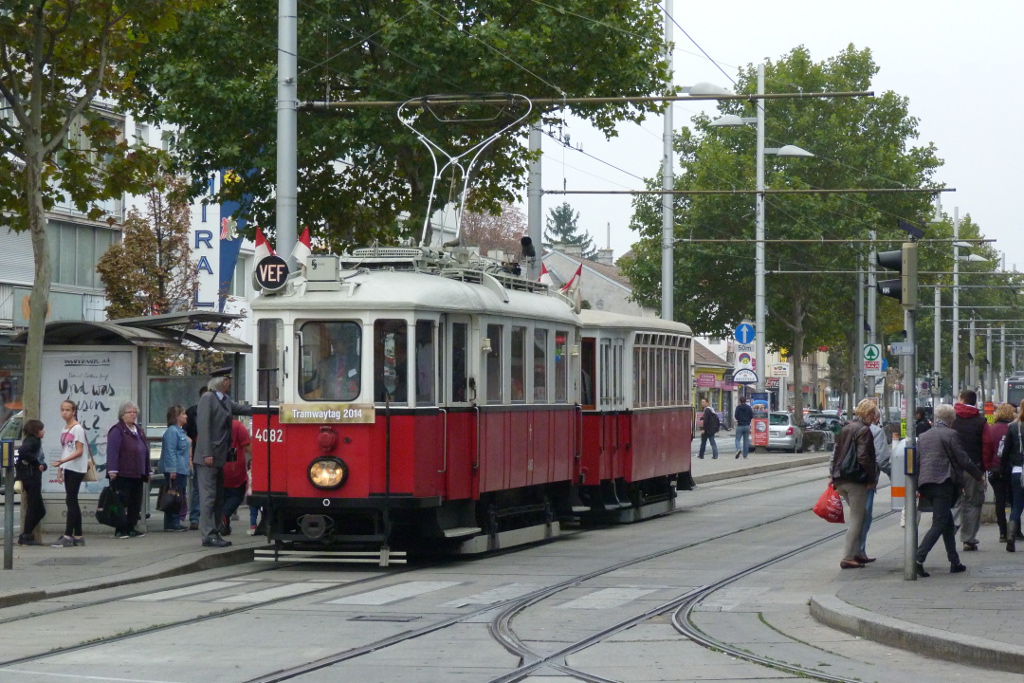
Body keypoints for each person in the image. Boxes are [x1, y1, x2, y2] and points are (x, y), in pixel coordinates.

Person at [915, 403, 984, 576]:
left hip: (926, 483)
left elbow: (917, 461)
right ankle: (918, 558)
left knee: (947, 524)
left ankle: (955, 562)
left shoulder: (923, 436)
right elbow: (963, 459)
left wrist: (917, 484)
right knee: (939, 522)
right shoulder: (951, 434)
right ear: (951, 420)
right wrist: (978, 476)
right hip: (943, 482)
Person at [195, 368, 252, 548]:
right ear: (222, 381)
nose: (230, 382)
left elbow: (243, 409)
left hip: (220, 457)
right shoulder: (208, 398)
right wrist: (207, 453)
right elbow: (203, 427)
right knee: (208, 497)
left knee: (218, 496)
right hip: (208, 457)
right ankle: (208, 534)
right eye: (228, 379)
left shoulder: (224, 399)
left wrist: (268, 409)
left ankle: (216, 530)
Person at [829, 398, 878, 569]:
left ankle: (857, 553)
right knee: (857, 518)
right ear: (866, 413)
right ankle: (848, 556)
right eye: (872, 413)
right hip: (855, 479)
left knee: (862, 514)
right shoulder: (864, 430)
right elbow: (863, 457)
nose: (874, 416)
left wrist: (833, 475)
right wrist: (871, 478)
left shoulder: (847, 427)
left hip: (841, 478)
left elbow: (837, 453)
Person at [951, 389, 992, 552]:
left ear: (961, 400)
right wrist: (984, 467)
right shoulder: (981, 421)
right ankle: (968, 539)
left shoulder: (952, 418)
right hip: (973, 468)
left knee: (952, 501)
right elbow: (988, 445)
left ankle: (947, 530)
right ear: (975, 402)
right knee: (973, 502)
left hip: (952, 467)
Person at [106, 401, 149, 539]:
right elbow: (112, 451)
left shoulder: (138, 430)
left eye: (134, 412)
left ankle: (131, 528)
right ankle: (120, 529)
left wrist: (148, 471)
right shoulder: (117, 430)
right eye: (129, 412)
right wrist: (112, 469)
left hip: (137, 473)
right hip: (123, 473)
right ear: (122, 415)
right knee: (121, 502)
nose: (132, 415)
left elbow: (145, 451)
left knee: (135, 503)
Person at [51, 400, 90, 547]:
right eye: (63, 410)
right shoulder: (65, 428)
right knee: (72, 500)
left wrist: (62, 462)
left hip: (76, 468)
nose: (65, 412)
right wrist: (60, 469)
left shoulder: (77, 428)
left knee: (71, 500)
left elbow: (79, 451)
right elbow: (65, 450)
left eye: (68, 410)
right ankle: (78, 536)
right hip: (68, 466)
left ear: (74, 411)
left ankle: (68, 535)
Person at [858, 403, 891, 562]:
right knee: (864, 517)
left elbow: (836, 453)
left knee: (856, 516)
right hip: (866, 481)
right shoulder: (876, 432)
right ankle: (859, 551)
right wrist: (895, 477)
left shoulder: (848, 428)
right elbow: (882, 460)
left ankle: (854, 551)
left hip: (848, 480)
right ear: (875, 417)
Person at [985, 403, 1015, 544]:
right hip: (1009, 468)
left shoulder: (991, 429)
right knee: (1014, 500)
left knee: (1000, 500)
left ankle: (1002, 532)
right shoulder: (1011, 429)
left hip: (994, 469)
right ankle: (1014, 530)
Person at [158, 405, 191, 532]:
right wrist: (172, 469)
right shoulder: (172, 431)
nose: (186, 416)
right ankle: (172, 522)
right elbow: (170, 451)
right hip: (176, 469)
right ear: (177, 417)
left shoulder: (180, 431)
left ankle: (175, 521)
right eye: (183, 414)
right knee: (174, 495)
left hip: (181, 468)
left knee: (178, 495)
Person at [15, 419, 46, 546]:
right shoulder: (32, 441)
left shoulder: (34, 441)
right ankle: (25, 535)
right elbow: (23, 452)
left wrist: (42, 465)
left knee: (39, 509)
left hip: (31, 477)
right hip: (31, 478)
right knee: (34, 507)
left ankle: (26, 534)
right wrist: (37, 463)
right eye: (42, 429)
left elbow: (38, 459)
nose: (44, 431)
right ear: (36, 431)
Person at [219, 419, 252, 536]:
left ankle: (225, 526)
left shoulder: (212, 424)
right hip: (235, 468)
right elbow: (248, 447)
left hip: (217, 466)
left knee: (222, 497)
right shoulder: (237, 425)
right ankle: (224, 515)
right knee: (237, 495)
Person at [1000, 404, 1024, 552]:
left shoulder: (1013, 427)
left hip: (1017, 470)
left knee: (1016, 505)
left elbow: (1006, 451)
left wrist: (1003, 471)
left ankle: (1010, 536)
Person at [184, 386, 208, 530]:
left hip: (212, 453)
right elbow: (186, 435)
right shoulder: (192, 412)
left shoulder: (216, 411)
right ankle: (195, 518)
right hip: (198, 453)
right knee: (197, 488)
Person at [734, 395, 753, 459]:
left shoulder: (738, 407)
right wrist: (748, 420)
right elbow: (751, 416)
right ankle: (745, 455)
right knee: (746, 440)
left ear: (740, 401)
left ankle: (738, 449)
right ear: (745, 401)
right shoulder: (749, 407)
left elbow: (736, 416)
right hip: (747, 425)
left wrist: (739, 419)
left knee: (737, 439)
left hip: (740, 425)